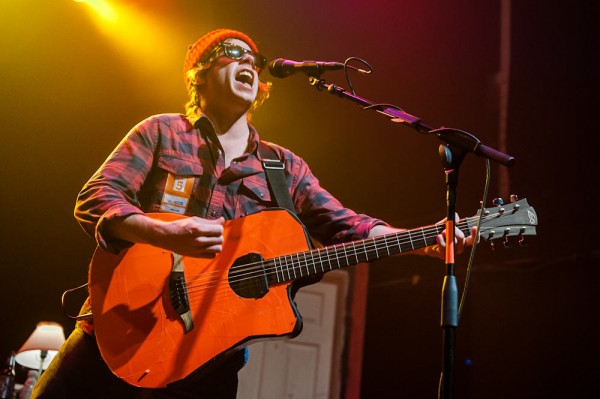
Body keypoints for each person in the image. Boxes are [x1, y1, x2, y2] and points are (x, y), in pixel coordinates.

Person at [32, 29, 476, 398]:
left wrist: (422, 240)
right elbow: (96, 197)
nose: (247, 61)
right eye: (231, 53)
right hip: (117, 331)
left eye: (253, 57)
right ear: (198, 75)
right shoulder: (161, 132)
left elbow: (348, 226)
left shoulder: (285, 166)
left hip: (208, 365)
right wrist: (163, 234)